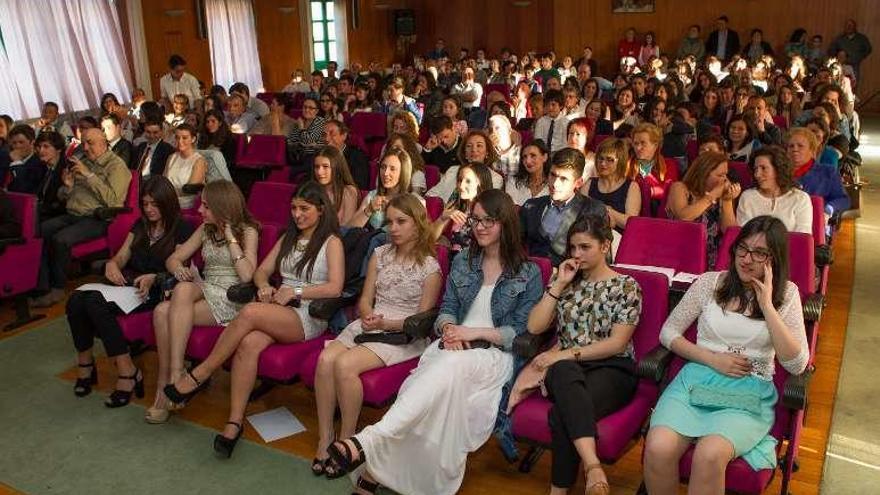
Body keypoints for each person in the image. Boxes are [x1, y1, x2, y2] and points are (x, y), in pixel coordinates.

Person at [326, 189, 543, 495]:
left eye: (488, 221)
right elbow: (446, 310)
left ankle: (369, 447)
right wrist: (450, 327)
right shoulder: (464, 262)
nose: (479, 227)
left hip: (494, 355)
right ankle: (377, 470)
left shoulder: (528, 272)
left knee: (441, 376)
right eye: (476, 220)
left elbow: (519, 332)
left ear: (505, 224)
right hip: (451, 346)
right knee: (424, 393)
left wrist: (474, 333)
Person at [162, 182, 343, 455]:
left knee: (248, 312)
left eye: (304, 209)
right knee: (248, 345)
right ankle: (234, 423)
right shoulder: (288, 238)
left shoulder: (332, 242)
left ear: (320, 210)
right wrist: (264, 286)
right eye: (293, 208)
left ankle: (201, 372)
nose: (297, 214)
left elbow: (335, 287)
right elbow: (260, 272)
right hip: (280, 308)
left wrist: (294, 290)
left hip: (309, 313)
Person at [643, 215, 809, 494]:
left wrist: (767, 306)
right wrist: (711, 359)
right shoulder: (710, 283)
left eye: (759, 253)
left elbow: (797, 364)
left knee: (709, 454)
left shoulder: (787, 294)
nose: (746, 259)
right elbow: (668, 333)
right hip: (697, 379)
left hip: (748, 390)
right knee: (658, 447)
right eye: (742, 249)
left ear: (774, 259)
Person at [313, 194, 442, 477]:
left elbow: (420, 321)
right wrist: (368, 314)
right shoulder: (380, 254)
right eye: (390, 222)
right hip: (371, 322)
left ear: (417, 223)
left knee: (345, 365)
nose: (393, 228)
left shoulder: (430, 267)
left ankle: (348, 442)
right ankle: (325, 438)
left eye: (401, 221)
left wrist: (386, 322)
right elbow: (365, 299)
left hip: (402, 335)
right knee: (325, 360)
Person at [515, 215, 642, 495]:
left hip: (613, 369)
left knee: (564, 412)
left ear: (605, 246)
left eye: (585, 247)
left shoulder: (627, 285)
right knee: (562, 373)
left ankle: (559, 491)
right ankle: (593, 465)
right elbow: (534, 326)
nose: (576, 254)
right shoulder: (567, 282)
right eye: (573, 247)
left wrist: (562, 355)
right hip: (568, 372)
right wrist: (559, 285)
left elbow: (617, 344)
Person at [66, 176, 193, 406]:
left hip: (156, 290)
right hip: (128, 286)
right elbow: (123, 255)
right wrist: (113, 264)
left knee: (94, 301)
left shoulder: (182, 228)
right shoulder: (141, 225)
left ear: (167, 202)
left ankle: (128, 372)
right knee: (75, 299)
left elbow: (181, 270)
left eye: (154, 204)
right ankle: (86, 364)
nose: (149, 209)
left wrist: (155, 277)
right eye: (145, 204)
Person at [147, 180, 259, 423]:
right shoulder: (205, 229)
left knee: (162, 312)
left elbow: (247, 275)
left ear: (222, 206)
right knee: (176, 296)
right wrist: (178, 270)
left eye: (206, 206)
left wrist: (229, 235)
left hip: (231, 297)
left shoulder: (248, 231)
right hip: (206, 288)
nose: (200, 211)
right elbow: (174, 258)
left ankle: (167, 387)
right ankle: (174, 375)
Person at [32, 129, 132, 307]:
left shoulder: (116, 166)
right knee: (40, 230)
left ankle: (57, 288)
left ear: (104, 142)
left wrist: (89, 175)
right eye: (83, 143)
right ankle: (41, 286)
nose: (85, 148)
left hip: (98, 218)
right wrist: (68, 187)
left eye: (90, 143)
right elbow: (64, 196)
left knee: (60, 239)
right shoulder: (84, 162)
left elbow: (113, 201)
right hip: (73, 213)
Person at [520, 148, 605, 266]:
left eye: (563, 179)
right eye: (552, 175)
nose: (554, 183)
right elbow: (513, 246)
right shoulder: (531, 206)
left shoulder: (593, 210)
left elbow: (598, 259)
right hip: (529, 275)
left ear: (578, 183)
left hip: (573, 277)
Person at [666, 151, 740, 269]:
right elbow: (684, 217)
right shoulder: (679, 188)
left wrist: (727, 201)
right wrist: (712, 196)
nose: (725, 180)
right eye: (720, 175)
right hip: (679, 254)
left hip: (711, 259)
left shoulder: (719, 195)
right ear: (704, 173)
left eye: (726, 175)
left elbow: (730, 232)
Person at [737, 146, 812, 234]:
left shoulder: (800, 198)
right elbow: (744, 235)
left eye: (763, 168)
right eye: (755, 169)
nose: (757, 174)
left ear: (778, 169)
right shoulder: (747, 197)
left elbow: (802, 237)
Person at [785, 128, 850, 218]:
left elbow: (844, 200)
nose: (795, 149)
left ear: (812, 151)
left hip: (818, 220)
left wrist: (829, 208)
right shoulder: (780, 173)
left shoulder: (828, 172)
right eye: (791, 146)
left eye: (800, 146)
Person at [431, 162, 494, 255]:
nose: (461, 186)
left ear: (481, 183)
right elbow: (429, 239)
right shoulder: (456, 204)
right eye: (460, 180)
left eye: (468, 181)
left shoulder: (490, 210)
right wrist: (442, 219)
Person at [426, 130, 503, 203]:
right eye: (469, 146)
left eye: (479, 145)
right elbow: (431, 195)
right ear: (465, 153)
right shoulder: (453, 170)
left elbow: (489, 207)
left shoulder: (495, 178)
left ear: (487, 152)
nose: (474, 149)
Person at [349, 148, 417, 230]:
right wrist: (369, 210)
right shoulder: (373, 196)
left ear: (403, 172)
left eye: (392, 169)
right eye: (383, 167)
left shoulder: (413, 201)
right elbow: (349, 229)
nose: (385, 173)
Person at [581, 137, 640, 232]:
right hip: (590, 234)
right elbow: (579, 213)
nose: (603, 163)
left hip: (620, 240)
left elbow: (631, 223)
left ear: (620, 161)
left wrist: (605, 210)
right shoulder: (589, 183)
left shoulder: (631, 186)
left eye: (610, 160)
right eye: (600, 158)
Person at [627, 123, 679, 201]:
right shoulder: (627, 164)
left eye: (643, 143)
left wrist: (647, 192)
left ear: (655, 145)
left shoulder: (669, 164)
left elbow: (670, 191)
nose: (638, 147)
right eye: (636, 143)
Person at [311, 146, 359, 226]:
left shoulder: (348, 191)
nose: (319, 172)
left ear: (337, 167)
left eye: (325, 166)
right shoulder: (312, 189)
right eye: (317, 167)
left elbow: (346, 228)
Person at [163, 124, 207, 210]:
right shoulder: (171, 157)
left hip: (186, 206)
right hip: (167, 201)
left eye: (184, 138)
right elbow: (163, 181)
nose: (180, 141)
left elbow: (190, 189)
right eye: (177, 137)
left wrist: (167, 193)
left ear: (193, 139)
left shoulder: (199, 161)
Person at [286, 96, 327, 178]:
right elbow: (291, 141)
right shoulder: (301, 121)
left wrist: (301, 129)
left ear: (316, 111)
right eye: (305, 107)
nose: (307, 110)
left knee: (293, 172)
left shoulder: (320, 121)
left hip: (312, 156)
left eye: (311, 108)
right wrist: (304, 141)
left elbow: (308, 140)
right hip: (297, 156)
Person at [323, 119, 370, 191]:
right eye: (324, 135)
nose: (327, 139)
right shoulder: (320, 154)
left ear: (344, 135)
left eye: (332, 134)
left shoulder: (357, 157)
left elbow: (359, 186)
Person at [33, 131, 68, 220]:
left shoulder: (67, 169)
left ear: (59, 149)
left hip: (58, 216)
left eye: (46, 146)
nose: (41, 150)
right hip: (42, 212)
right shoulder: (42, 167)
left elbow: (61, 204)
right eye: (39, 147)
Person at [3, 125, 46, 194]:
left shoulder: (40, 164)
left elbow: (24, 190)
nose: (17, 146)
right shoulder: (7, 160)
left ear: (32, 143)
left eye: (21, 142)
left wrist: (17, 163)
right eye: (14, 143)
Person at [505, 139, 549, 206]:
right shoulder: (513, 182)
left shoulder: (553, 184)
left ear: (544, 157)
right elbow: (510, 210)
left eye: (533, 155)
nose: (528, 161)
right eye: (524, 157)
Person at [533, 89, 569, 154]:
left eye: (553, 105)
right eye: (547, 104)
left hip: (560, 155)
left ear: (561, 106)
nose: (550, 107)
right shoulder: (541, 121)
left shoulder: (566, 123)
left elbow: (565, 144)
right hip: (543, 154)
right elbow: (538, 141)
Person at [487, 114, 521, 179]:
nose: (493, 132)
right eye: (491, 130)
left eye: (497, 128)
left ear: (509, 131)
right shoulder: (489, 153)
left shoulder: (521, 152)